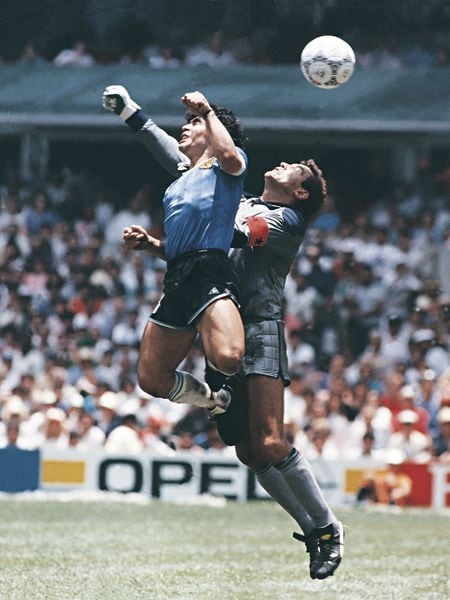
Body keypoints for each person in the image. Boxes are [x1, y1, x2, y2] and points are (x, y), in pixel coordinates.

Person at [121, 124, 343, 578]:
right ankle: (311, 530)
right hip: (220, 317)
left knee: (270, 440)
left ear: (300, 194)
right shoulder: (243, 202)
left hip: (258, 329)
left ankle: (327, 528)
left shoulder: (285, 221)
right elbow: (204, 251)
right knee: (246, 451)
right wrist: (158, 247)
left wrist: (204, 186)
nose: (280, 165)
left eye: (292, 170)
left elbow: (231, 238)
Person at [102, 85, 248, 421]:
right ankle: (216, 400)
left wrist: (208, 111)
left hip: (210, 273)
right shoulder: (179, 182)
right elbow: (159, 143)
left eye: (194, 122)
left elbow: (227, 154)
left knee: (229, 358)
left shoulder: (227, 169)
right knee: (151, 379)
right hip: (178, 277)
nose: (185, 126)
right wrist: (150, 245)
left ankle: (250, 378)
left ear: (212, 133)